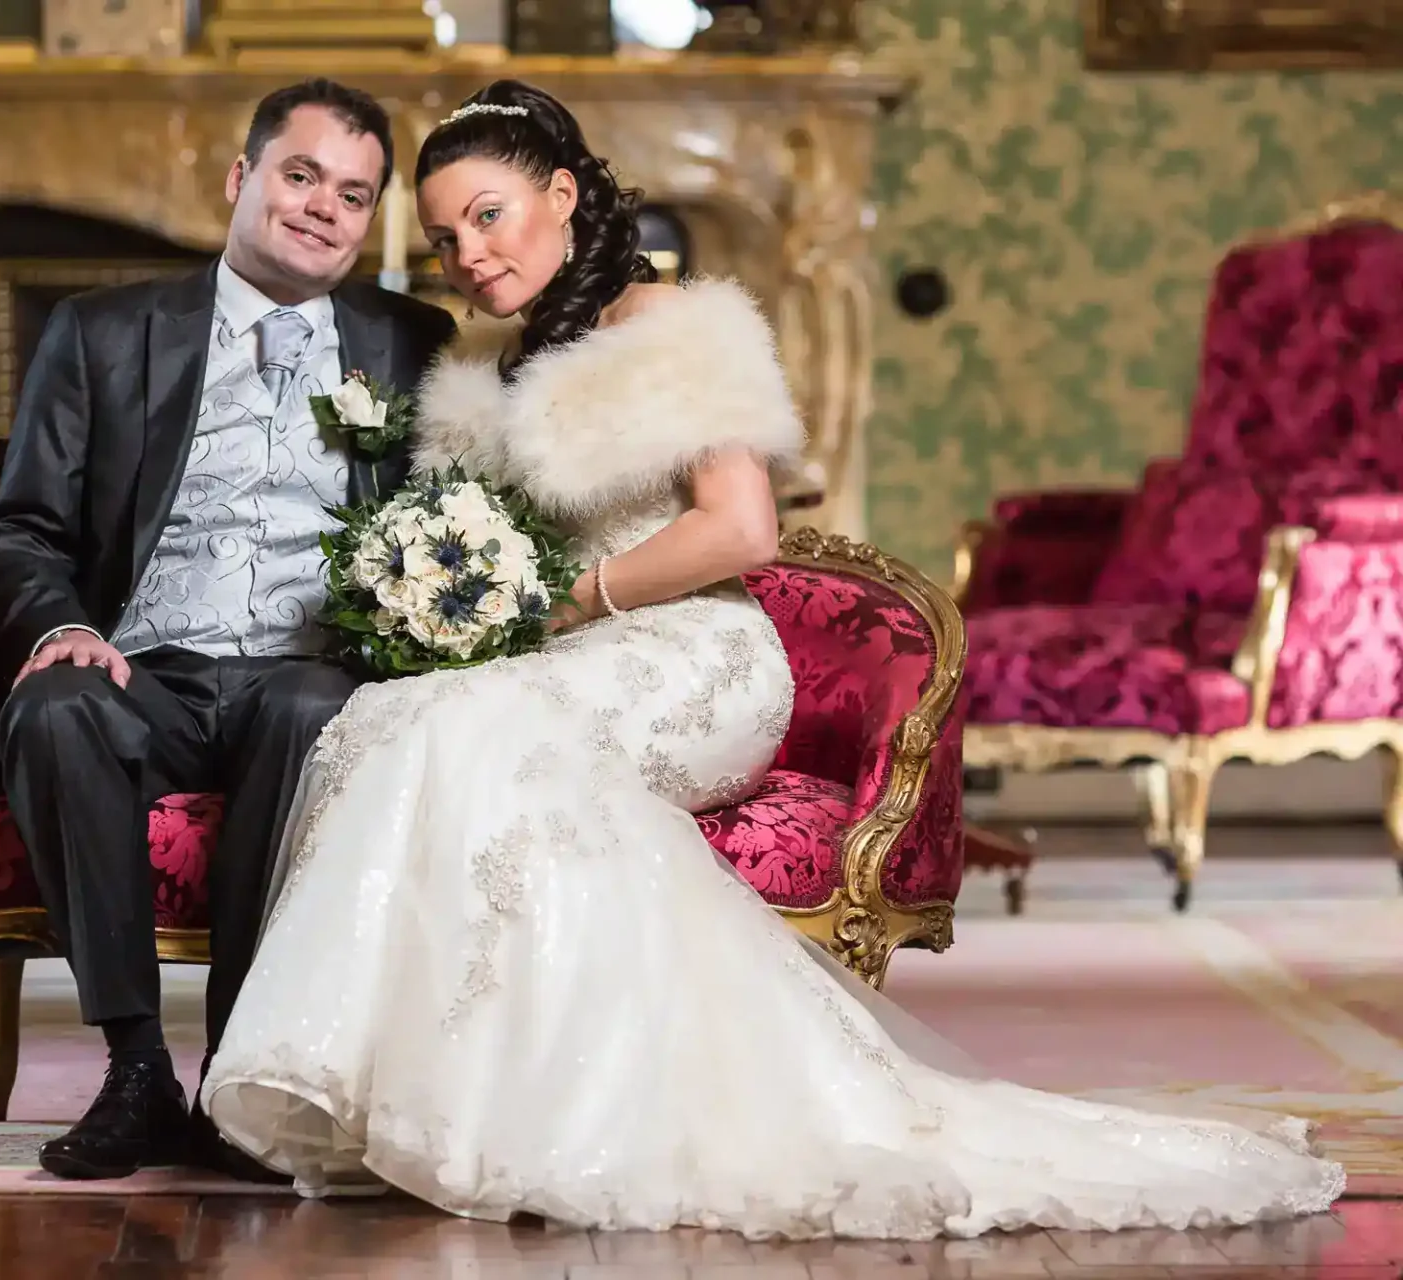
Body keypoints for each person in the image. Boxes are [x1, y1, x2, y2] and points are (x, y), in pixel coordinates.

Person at [197, 80, 1346, 1238]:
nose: (470, 254)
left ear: (559, 195)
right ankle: (443, 1102)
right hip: (565, 656)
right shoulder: (486, 368)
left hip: (697, 653)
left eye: (489, 216)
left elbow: (740, 529)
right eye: (445, 237)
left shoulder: (678, 325)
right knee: (395, 722)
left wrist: (570, 602)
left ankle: (574, 1110)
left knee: (460, 726)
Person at [0, 78, 457, 1182]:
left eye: (356, 194)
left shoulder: (413, 341)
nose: (326, 207)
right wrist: (66, 626)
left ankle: (241, 1070)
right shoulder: (101, 332)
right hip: (145, 668)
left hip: (307, 670)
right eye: (302, 175)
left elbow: (444, 523)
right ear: (242, 180)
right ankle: (136, 1067)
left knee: (314, 706)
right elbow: (21, 527)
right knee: (53, 707)